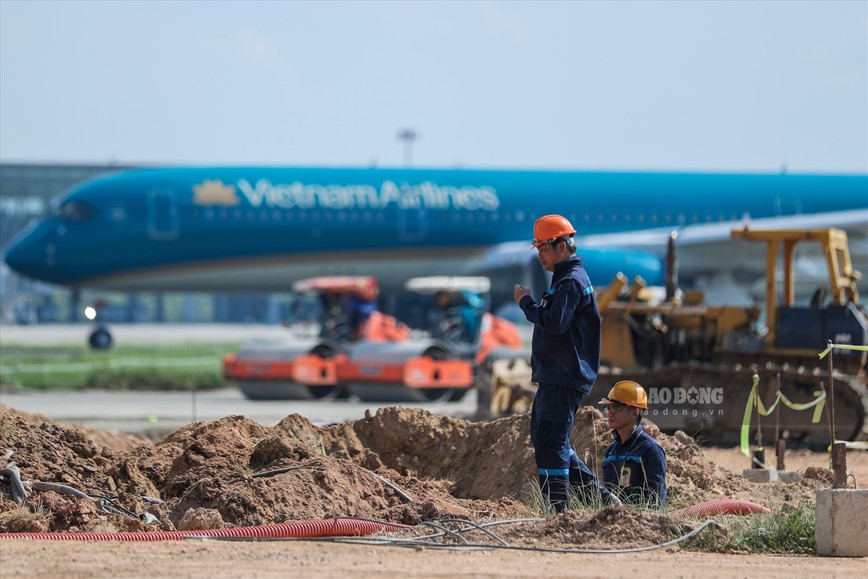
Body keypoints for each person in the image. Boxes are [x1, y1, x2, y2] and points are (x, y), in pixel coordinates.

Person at [514, 214, 614, 512]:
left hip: (564, 375)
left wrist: (526, 303)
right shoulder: (564, 280)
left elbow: (555, 322)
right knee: (546, 438)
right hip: (554, 375)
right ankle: (601, 500)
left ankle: (558, 511)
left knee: (553, 441)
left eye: (543, 248)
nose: (540, 256)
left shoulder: (571, 281)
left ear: (561, 246)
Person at [598, 380, 667, 507]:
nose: (610, 413)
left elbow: (656, 502)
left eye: (617, 408)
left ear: (635, 412)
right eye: (609, 407)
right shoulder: (611, 450)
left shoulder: (650, 450)